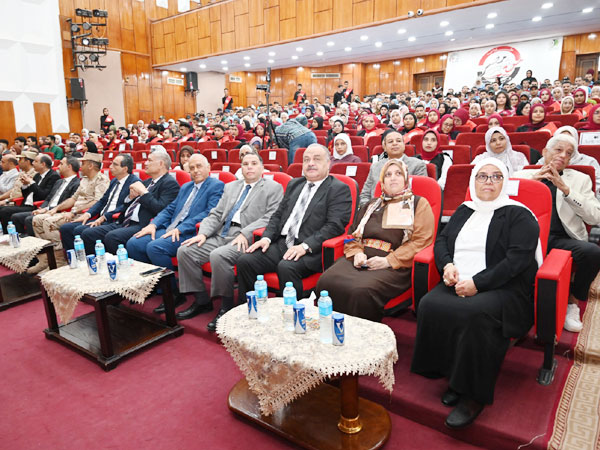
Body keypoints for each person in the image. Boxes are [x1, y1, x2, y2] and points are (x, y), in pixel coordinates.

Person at [411, 158, 541, 429]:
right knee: (429, 304)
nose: (488, 182)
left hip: (504, 287)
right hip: (460, 279)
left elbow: (516, 261)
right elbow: (442, 241)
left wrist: (478, 284)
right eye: (482, 176)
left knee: (474, 314)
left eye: (496, 176)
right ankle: (453, 377)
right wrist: (447, 265)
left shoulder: (520, 215)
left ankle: (473, 395)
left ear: (505, 182)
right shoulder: (464, 209)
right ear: (473, 181)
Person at [316, 160, 435, 322]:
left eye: (398, 174)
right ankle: (331, 329)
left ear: (406, 179)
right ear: (382, 182)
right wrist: (356, 253)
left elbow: (421, 241)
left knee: (361, 291)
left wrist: (389, 260)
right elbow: (352, 235)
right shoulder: (371, 205)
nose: (393, 178)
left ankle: (361, 334)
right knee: (326, 281)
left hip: (395, 263)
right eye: (388, 175)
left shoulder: (418, 204)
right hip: (361, 258)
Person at [175, 152, 284, 327]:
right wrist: (203, 233)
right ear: (241, 168)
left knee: (219, 256)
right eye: (245, 164)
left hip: (246, 237)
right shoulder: (231, 186)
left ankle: (226, 307)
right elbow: (216, 213)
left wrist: (245, 233)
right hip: (221, 233)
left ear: (262, 167)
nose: (249, 167)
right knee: (185, 251)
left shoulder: (273, 188)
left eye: (254, 163)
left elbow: (271, 217)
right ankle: (202, 301)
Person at [236, 144, 352, 300]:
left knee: (286, 267)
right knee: (245, 261)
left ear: (328, 163)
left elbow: (334, 226)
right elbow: (278, 215)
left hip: (312, 249)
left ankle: (293, 313)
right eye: (306, 160)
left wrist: (305, 246)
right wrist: (266, 238)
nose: (311, 163)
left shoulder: (338, 189)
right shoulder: (294, 184)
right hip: (283, 244)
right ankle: (250, 308)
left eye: (316, 159)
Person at [514, 134, 600, 332]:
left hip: (561, 239)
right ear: (545, 152)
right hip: (527, 238)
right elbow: (504, 203)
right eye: (558, 150)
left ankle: (573, 301)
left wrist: (566, 190)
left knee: (593, 253)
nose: (563, 155)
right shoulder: (523, 174)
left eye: (568, 153)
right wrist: (534, 181)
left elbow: (595, 217)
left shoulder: (580, 179)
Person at [126, 154, 224, 312]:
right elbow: (170, 209)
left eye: (199, 166)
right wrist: (153, 224)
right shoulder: (186, 187)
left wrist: (181, 228)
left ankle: (172, 292)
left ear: (208, 168)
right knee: (134, 243)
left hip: (191, 232)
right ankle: (153, 285)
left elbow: (209, 213)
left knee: (155, 247)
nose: (195, 170)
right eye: (192, 168)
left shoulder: (216, 186)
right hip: (171, 228)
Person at [30, 152, 110, 270]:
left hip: (86, 214)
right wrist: (55, 209)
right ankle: (46, 260)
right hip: (74, 212)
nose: (80, 166)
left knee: (49, 223)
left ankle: (59, 260)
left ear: (90, 166)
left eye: (83, 163)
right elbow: (73, 198)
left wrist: (74, 212)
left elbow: (97, 202)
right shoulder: (84, 179)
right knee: (37, 220)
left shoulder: (102, 180)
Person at [59, 154, 139, 255]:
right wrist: (88, 214)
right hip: (101, 217)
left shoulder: (134, 183)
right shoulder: (115, 181)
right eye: (111, 164)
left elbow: (126, 206)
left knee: (84, 232)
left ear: (125, 169)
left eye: (115, 165)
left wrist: (105, 217)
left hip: (115, 220)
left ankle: (92, 259)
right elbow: (102, 201)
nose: (110, 167)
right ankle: (75, 258)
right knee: (66, 228)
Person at [14, 157, 80, 237]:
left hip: (59, 211)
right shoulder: (59, 181)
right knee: (17, 217)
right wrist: (42, 208)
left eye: (61, 164)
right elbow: (48, 198)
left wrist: (46, 209)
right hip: (47, 209)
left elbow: (67, 203)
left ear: (69, 166)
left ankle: (38, 242)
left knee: (29, 219)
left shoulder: (77, 184)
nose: (58, 166)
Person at [360, 130, 427, 205]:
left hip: (406, 209)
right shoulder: (375, 167)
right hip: (377, 209)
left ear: (404, 145)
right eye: (390, 141)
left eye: (398, 141)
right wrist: (370, 208)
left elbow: (421, 195)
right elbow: (364, 195)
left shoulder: (418, 165)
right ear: (384, 147)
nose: (395, 143)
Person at [0, 153, 58, 232]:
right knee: (2, 209)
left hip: (37, 206)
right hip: (26, 203)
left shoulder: (53, 176)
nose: (33, 163)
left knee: (7, 212)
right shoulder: (37, 175)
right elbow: (26, 194)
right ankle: (7, 233)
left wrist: (31, 182)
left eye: (35, 161)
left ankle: (14, 234)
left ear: (43, 164)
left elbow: (43, 195)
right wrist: (25, 185)